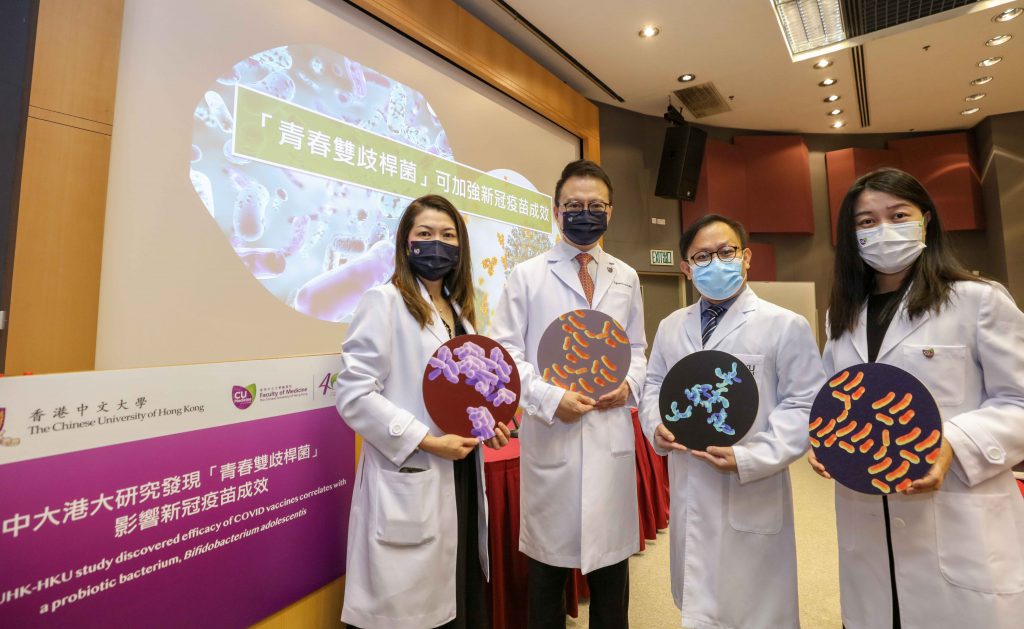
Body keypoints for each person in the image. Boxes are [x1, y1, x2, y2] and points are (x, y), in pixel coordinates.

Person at [809, 167, 1024, 628]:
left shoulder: (978, 301)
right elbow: (836, 403)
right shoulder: (841, 318)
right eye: (865, 221)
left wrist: (954, 443)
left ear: (925, 220)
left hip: (960, 524)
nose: (881, 230)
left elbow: (1019, 403)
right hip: (866, 526)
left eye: (897, 214)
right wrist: (826, 443)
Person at [639, 213, 824, 629]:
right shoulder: (672, 326)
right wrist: (656, 426)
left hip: (752, 485)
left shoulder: (784, 325)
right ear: (686, 268)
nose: (716, 262)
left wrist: (752, 458)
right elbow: (653, 385)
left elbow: (805, 404)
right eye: (702, 256)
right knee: (698, 605)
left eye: (726, 252)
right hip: (689, 477)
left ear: (747, 258)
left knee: (756, 610)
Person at [335, 194, 511, 629]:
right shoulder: (384, 301)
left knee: (456, 591)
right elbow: (354, 394)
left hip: (461, 471)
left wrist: (488, 425)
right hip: (415, 467)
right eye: (425, 235)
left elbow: (465, 395)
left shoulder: (460, 314)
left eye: (448, 236)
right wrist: (425, 440)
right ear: (405, 243)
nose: (438, 244)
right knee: (410, 610)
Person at [490, 159, 646, 629]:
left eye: (595, 205)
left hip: (609, 433)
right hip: (553, 435)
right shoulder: (527, 275)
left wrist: (629, 385)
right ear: (556, 212)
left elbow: (637, 348)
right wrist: (546, 397)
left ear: (610, 212)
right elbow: (504, 353)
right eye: (574, 205)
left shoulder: (626, 276)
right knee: (547, 580)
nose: (585, 213)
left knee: (611, 580)